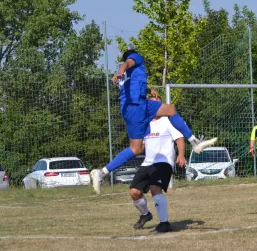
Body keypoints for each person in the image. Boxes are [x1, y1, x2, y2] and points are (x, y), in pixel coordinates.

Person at [91, 47, 216, 194]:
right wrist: (121, 71)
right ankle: (101, 173)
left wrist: (149, 90)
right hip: (136, 107)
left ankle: (194, 142)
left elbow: (134, 86)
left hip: (136, 106)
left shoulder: (130, 78)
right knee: (136, 148)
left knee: (170, 110)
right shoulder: (135, 58)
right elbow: (127, 64)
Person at [130, 93, 186, 234]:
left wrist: (181, 155)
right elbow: (141, 147)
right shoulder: (145, 123)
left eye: (158, 104)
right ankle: (145, 214)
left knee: (155, 188)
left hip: (164, 162)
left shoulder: (168, 121)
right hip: (147, 163)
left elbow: (179, 138)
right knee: (134, 192)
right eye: (152, 104)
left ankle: (164, 223)